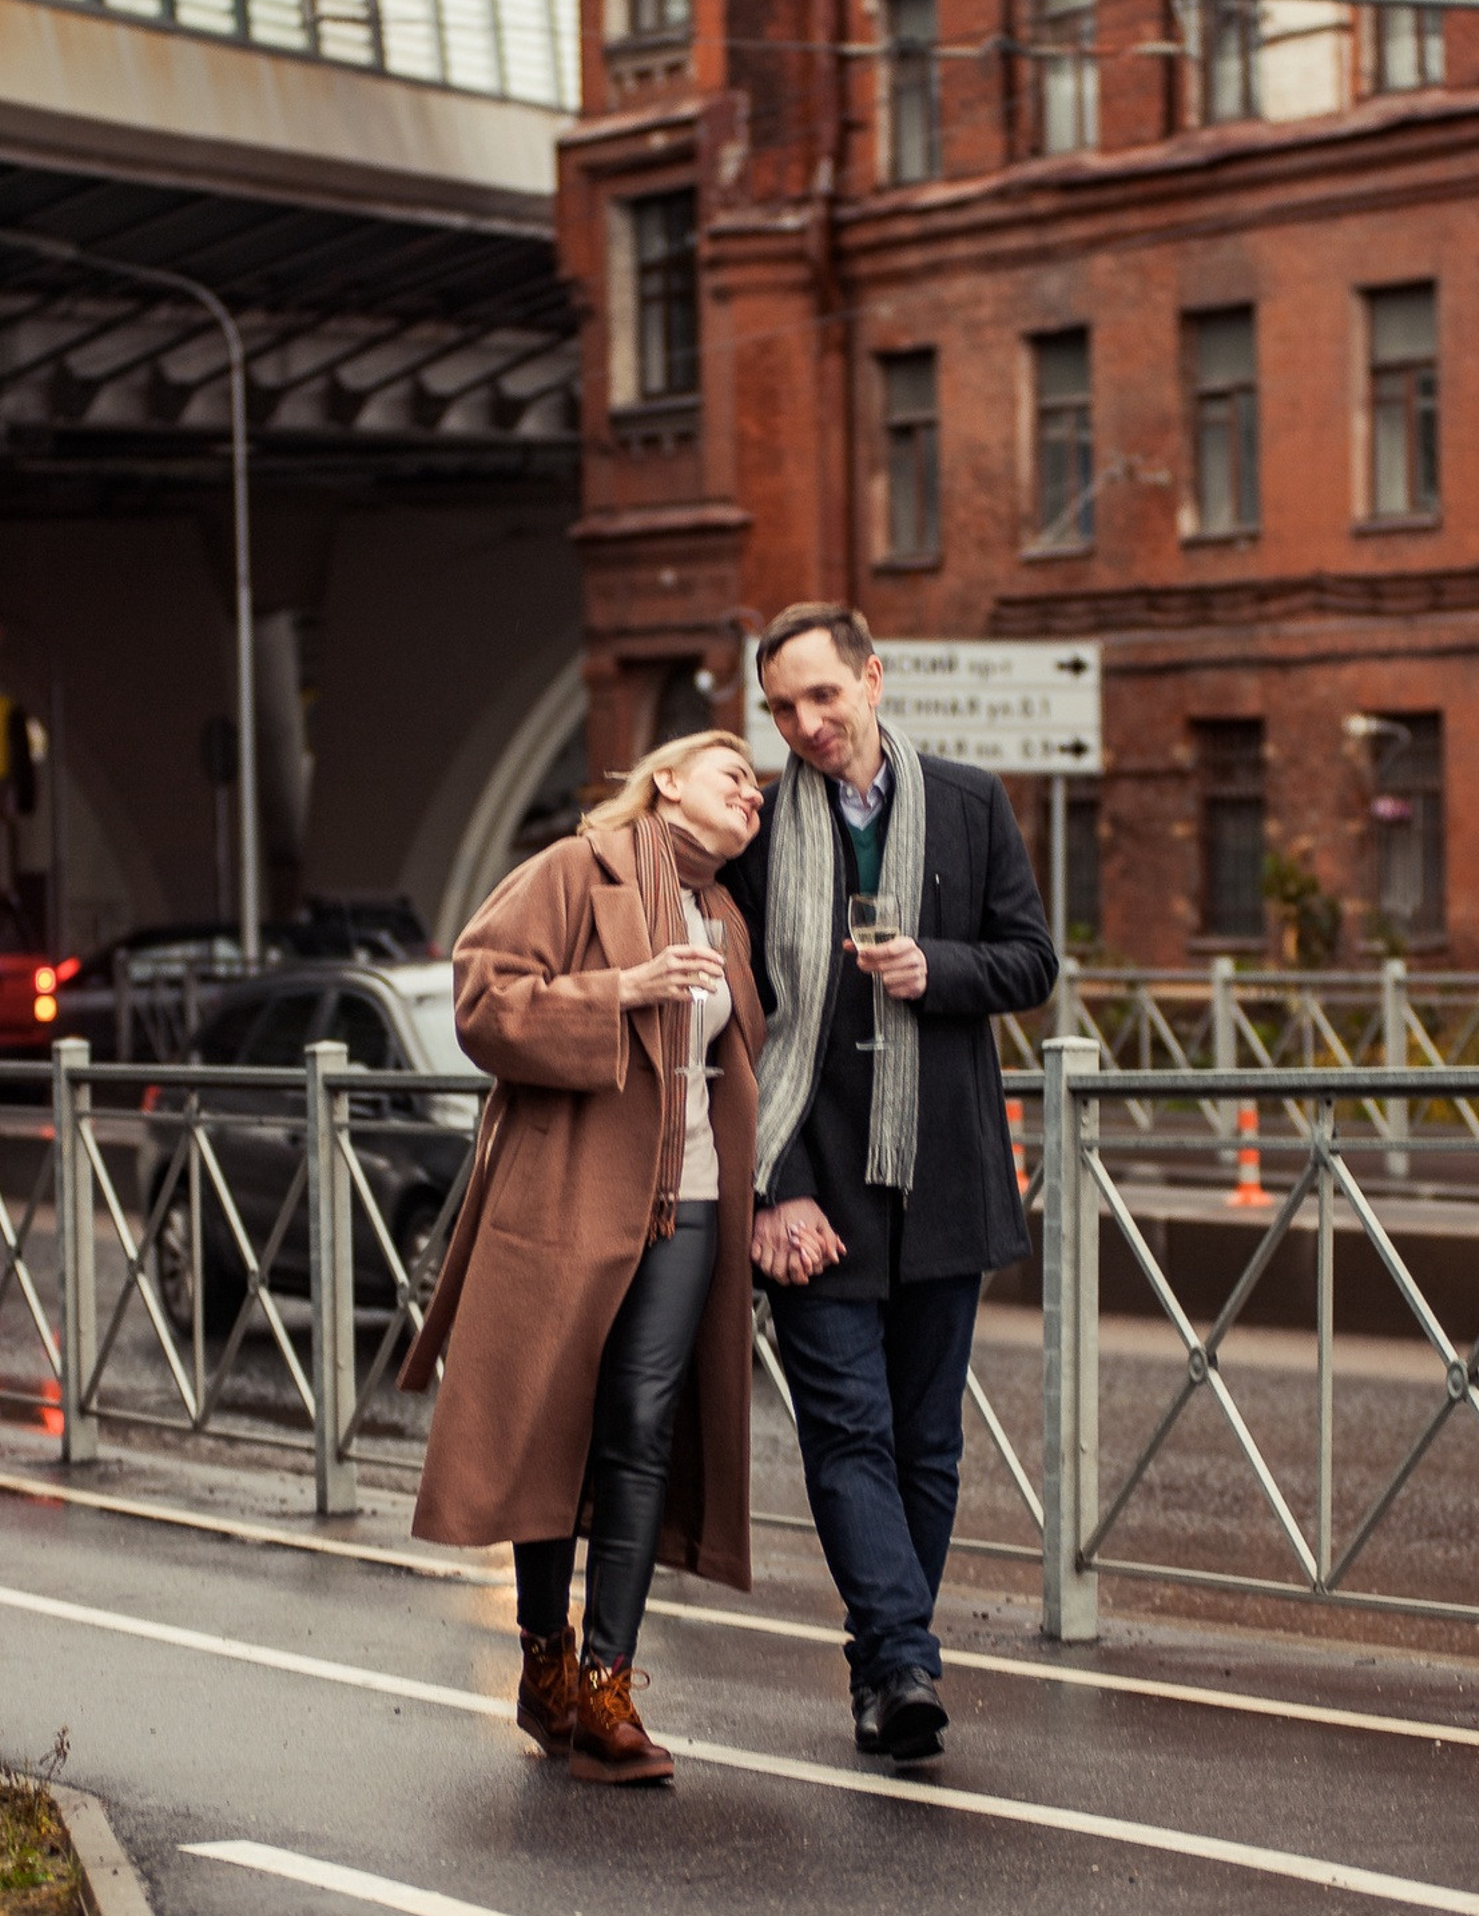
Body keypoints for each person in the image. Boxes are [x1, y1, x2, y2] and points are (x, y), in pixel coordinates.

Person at [723, 602, 1057, 1765]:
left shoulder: (970, 802)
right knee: (847, 1430)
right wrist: (773, 1188)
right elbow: (749, 1027)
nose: (805, 724)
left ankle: (884, 1669)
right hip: (813, 1180)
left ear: (873, 679)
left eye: (822, 695)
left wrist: (937, 967)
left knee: (927, 1440)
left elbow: (1031, 960)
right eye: (781, 709)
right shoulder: (760, 836)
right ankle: (907, 1660)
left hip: (943, 1173)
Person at [399, 729, 765, 1786]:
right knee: (554, 1417)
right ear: (667, 783)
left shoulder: (723, 913)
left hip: (691, 1200)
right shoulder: (573, 870)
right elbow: (483, 1000)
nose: (752, 791)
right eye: (733, 773)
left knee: (642, 1426)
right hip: (570, 1192)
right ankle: (544, 1655)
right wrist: (622, 989)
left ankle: (608, 1685)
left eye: (758, 785)